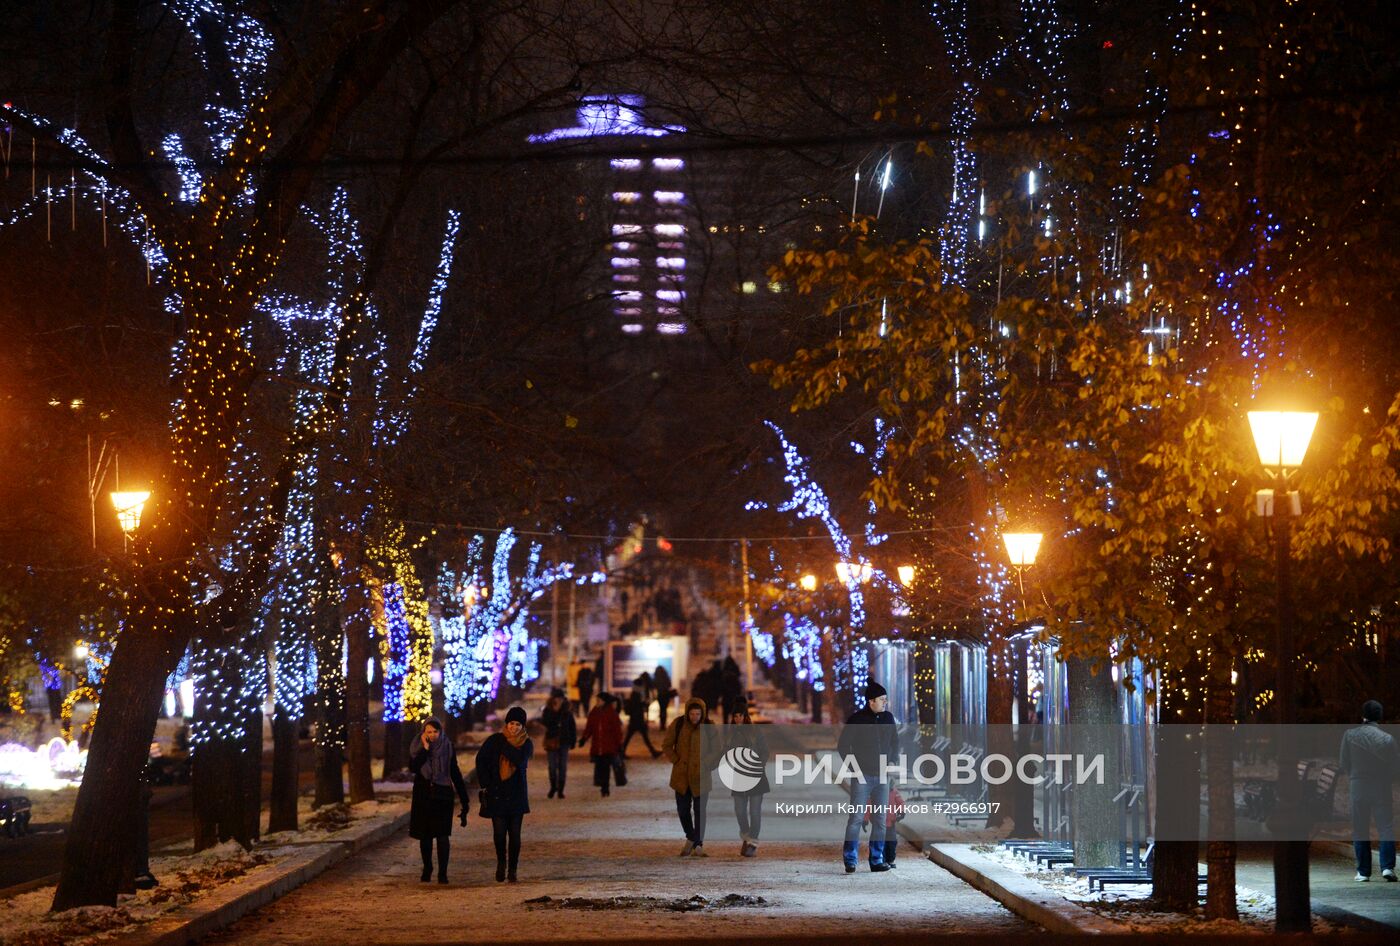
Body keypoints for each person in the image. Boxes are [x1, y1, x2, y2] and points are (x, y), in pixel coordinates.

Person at [836, 681, 900, 873]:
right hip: (862, 775)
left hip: (882, 776)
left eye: (885, 700)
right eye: (882, 700)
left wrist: (893, 761)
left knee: (880, 820)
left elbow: (895, 742)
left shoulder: (888, 718)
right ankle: (850, 859)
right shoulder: (857, 720)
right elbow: (843, 745)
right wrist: (853, 767)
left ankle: (876, 859)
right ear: (871, 701)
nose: (885, 703)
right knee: (856, 818)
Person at [1340, 699, 1399, 882]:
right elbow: (1395, 767)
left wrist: (1355, 776)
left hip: (1358, 786)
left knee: (1360, 828)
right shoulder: (1388, 739)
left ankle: (1363, 872)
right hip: (1381, 788)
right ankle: (1387, 868)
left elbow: (1344, 763)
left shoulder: (1349, 735)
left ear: (1363, 716)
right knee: (1386, 828)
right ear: (1380, 717)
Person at [407, 717, 471, 883]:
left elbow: (454, 771)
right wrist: (426, 749)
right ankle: (427, 867)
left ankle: (443, 872)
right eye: (429, 731)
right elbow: (413, 768)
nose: (433, 735)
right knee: (425, 836)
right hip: (423, 795)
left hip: (443, 795)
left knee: (443, 835)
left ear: (441, 732)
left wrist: (464, 798)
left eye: (436, 731)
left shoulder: (447, 746)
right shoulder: (417, 747)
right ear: (423, 733)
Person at [475, 706, 534, 883]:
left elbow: (519, 759)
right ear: (506, 724)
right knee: (499, 833)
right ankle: (501, 864)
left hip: (516, 794)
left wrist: (506, 745)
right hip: (497, 793)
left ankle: (513, 869)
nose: (514, 727)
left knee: (515, 835)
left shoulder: (526, 743)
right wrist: (486, 782)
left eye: (518, 724)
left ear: (523, 726)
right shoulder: (494, 740)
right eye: (511, 723)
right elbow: (481, 759)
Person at [663, 697, 720, 857]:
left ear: (702, 714)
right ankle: (691, 836)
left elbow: (716, 750)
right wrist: (676, 760)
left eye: (697, 714)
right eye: (692, 714)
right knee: (683, 810)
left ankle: (698, 843)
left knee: (700, 810)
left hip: (701, 775)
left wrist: (706, 764)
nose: (694, 717)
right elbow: (667, 745)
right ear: (687, 713)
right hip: (681, 776)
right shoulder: (678, 724)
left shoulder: (709, 727)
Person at [726, 698, 771, 857]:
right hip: (738, 776)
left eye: (740, 715)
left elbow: (765, 751)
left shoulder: (755, 731)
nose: (738, 719)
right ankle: (746, 835)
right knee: (739, 811)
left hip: (755, 775)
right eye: (735, 716)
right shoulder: (729, 733)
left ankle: (753, 842)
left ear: (745, 716)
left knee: (755, 811)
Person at [580, 691, 625, 796]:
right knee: (600, 766)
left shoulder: (611, 713)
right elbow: (589, 727)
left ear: (604, 701)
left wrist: (619, 745)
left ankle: (605, 788)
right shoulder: (594, 712)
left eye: (599, 700)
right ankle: (602, 785)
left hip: (608, 746)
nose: (597, 702)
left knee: (606, 767)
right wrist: (584, 738)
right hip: (597, 746)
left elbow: (617, 731)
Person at [541, 690, 577, 798]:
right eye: (557, 698)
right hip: (552, 740)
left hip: (564, 741)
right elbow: (545, 722)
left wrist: (573, 741)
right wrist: (554, 712)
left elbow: (572, 727)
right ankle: (553, 787)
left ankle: (560, 790)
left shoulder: (567, 710)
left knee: (562, 766)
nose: (559, 700)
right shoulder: (548, 710)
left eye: (561, 698)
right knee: (552, 766)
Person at [623, 677, 663, 759]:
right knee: (640, 737)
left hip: (635, 720)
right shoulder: (636, 695)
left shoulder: (635, 694)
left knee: (633, 737)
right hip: (637, 720)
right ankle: (653, 752)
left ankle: (653, 752)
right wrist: (644, 704)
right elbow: (637, 707)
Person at [654, 664, 673, 730]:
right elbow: (669, 685)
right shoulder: (666, 677)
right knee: (664, 710)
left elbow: (654, 686)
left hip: (660, 695)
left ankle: (661, 725)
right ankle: (663, 725)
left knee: (661, 709)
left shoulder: (656, 678)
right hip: (666, 695)